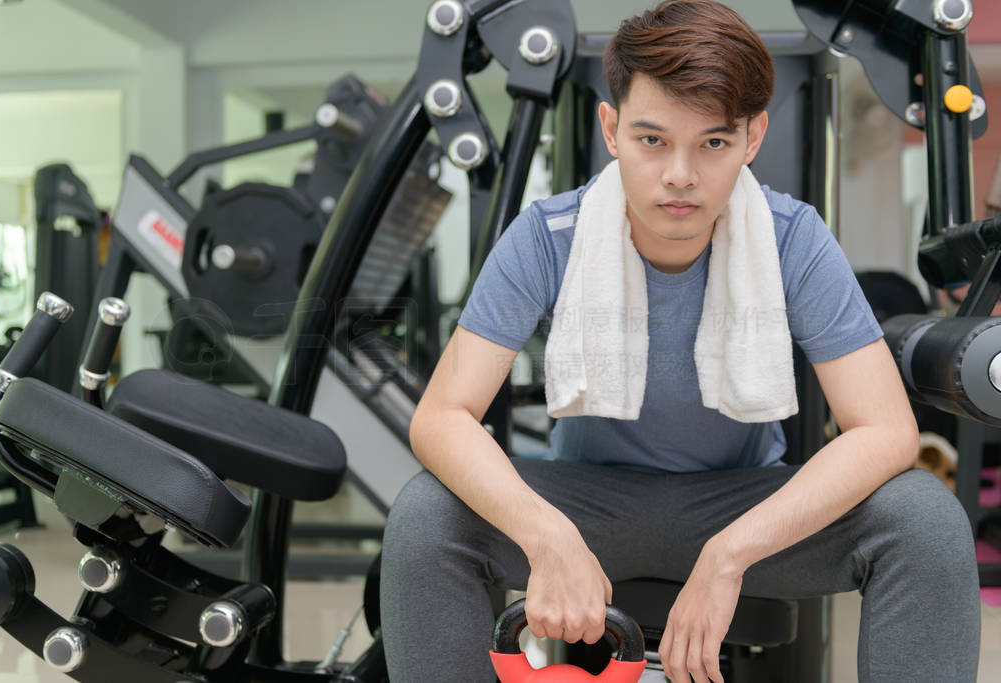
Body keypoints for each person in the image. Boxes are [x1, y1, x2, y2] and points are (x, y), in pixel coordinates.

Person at [380, 1, 981, 681]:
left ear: (753, 138)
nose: (680, 176)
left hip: (739, 499)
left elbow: (886, 430)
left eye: (713, 143)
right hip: (588, 500)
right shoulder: (547, 237)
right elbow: (441, 416)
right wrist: (547, 533)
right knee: (426, 514)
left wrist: (732, 552)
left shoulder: (793, 239)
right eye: (652, 139)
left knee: (923, 517)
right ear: (611, 129)